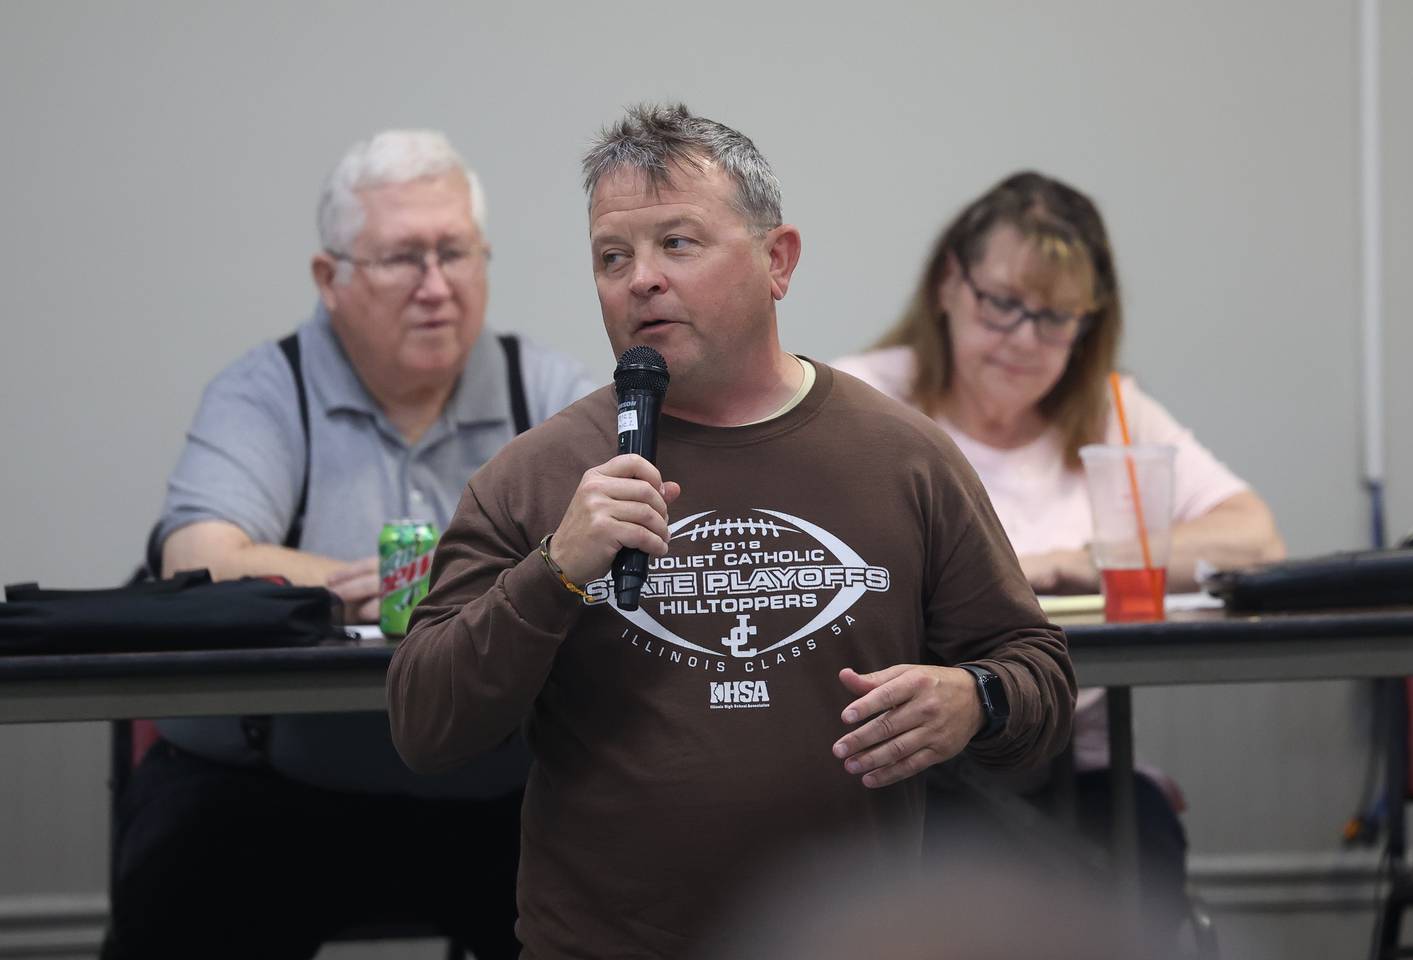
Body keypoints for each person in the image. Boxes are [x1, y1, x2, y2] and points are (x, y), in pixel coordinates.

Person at [388, 104, 1076, 960]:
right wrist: (554, 571)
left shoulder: (902, 458)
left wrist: (976, 698)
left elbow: (1039, 671)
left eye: (677, 244)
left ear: (777, 260)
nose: (640, 279)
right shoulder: (536, 476)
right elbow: (424, 724)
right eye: (613, 257)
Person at [104, 130, 593, 960]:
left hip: (496, 792)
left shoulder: (539, 388)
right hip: (274, 790)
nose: (436, 288)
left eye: (457, 254)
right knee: (177, 894)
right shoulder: (270, 389)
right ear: (330, 279)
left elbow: (625, 536)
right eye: (404, 259)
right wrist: (374, 581)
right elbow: (195, 554)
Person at [832, 170, 1286, 945]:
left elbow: (1256, 539)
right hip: (920, 761)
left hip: (1086, 765)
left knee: (1141, 854)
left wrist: (1079, 559)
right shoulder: (864, 400)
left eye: (1054, 317)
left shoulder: (1109, 411)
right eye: (1002, 304)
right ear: (949, 282)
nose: (1023, 338)